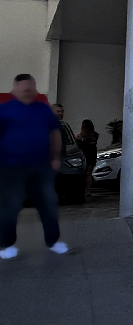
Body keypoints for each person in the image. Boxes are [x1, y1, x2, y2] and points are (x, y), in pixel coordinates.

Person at [0, 74, 71, 258]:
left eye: (31, 89)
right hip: (12, 167)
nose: (28, 93)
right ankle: (7, 245)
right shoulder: (5, 110)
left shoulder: (44, 110)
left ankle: (53, 242)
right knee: (10, 206)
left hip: (41, 167)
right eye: (24, 90)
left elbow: (54, 133)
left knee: (47, 204)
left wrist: (55, 157)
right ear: (15, 89)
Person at [77, 119, 99, 195]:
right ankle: (88, 190)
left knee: (83, 174)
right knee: (89, 174)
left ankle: (82, 190)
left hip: (84, 156)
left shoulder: (80, 136)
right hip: (92, 156)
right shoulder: (95, 135)